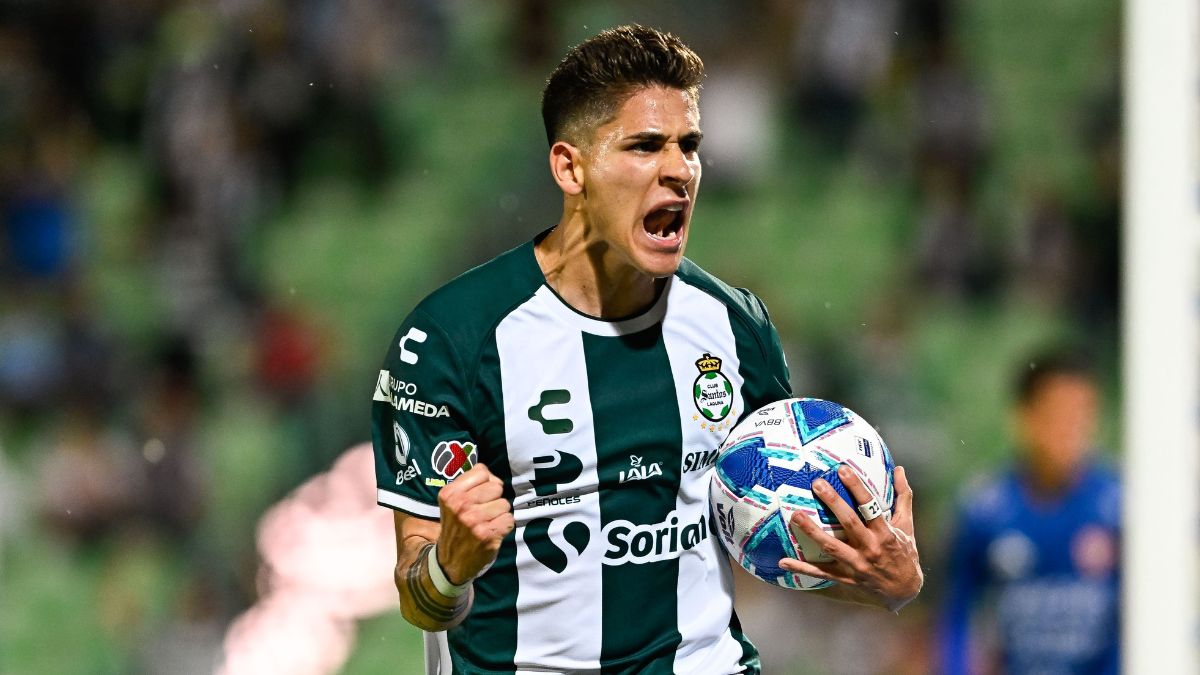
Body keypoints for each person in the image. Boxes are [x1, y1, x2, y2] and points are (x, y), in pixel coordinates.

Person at [371, 25, 922, 673]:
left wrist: (887, 578)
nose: (678, 170)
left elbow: (772, 535)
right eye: (644, 145)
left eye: (689, 145)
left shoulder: (735, 324)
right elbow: (421, 600)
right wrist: (448, 567)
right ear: (570, 167)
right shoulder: (450, 339)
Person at [938, 350, 1120, 674]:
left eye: (1083, 415)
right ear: (1025, 418)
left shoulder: (1120, 507)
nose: (1071, 431)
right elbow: (958, 615)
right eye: (1059, 415)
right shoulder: (984, 510)